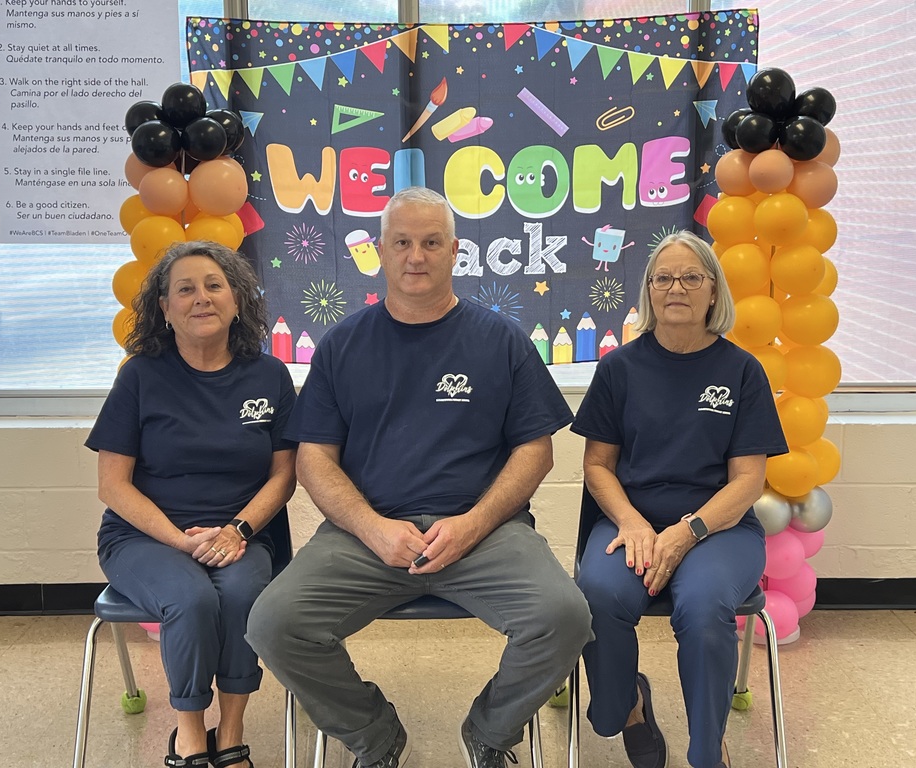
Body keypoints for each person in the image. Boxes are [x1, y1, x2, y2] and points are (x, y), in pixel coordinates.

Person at [246, 187, 592, 768]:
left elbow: (537, 451)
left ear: (455, 251)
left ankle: (489, 731)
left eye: (432, 242)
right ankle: (374, 736)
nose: (416, 256)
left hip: (484, 532)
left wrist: (474, 524)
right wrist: (374, 528)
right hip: (365, 535)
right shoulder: (341, 345)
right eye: (402, 242)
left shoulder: (500, 340)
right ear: (380, 251)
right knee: (274, 624)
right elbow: (314, 461)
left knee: (564, 617)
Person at [570, 231, 788, 768]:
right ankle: (627, 710)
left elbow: (746, 482)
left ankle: (706, 749)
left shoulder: (741, 372)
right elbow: (597, 464)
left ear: (713, 291)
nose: (676, 288)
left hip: (719, 529)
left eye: (692, 277)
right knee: (597, 593)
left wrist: (687, 532)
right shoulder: (619, 368)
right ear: (648, 290)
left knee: (704, 605)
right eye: (663, 278)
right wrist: (633, 523)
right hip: (630, 520)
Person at [86, 240, 297, 768]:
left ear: (237, 300)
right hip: (145, 537)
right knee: (191, 598)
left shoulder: (269, 375)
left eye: (214, 285)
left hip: (242, 534)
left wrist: (237, 532)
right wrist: (181, 541)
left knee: (243, 591)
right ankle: (189, 735)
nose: (200, 298)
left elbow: (285, 475)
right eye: (185, 288)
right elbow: (113, 486)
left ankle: (230, 731)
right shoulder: (139, 375)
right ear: (164, 307)